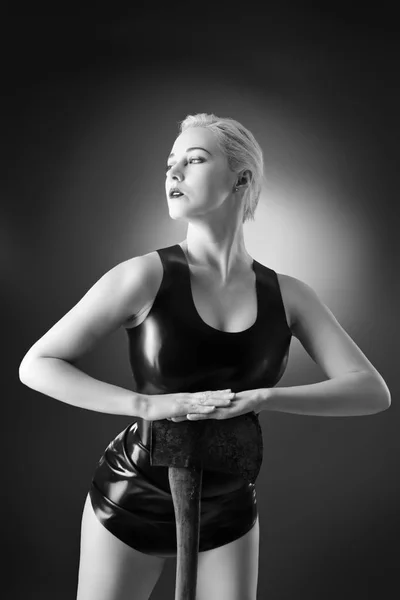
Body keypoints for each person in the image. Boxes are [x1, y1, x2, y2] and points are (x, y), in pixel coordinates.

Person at [19, 112, 391, 600]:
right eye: (171, 163)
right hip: (134, 493)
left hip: (228, 503)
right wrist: (148, 406)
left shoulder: (290, 295)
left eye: (194, 160)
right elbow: (36, 365)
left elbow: (371, 391)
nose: (173, 173)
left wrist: (266, 396)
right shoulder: (143, 276)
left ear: (242, 178)